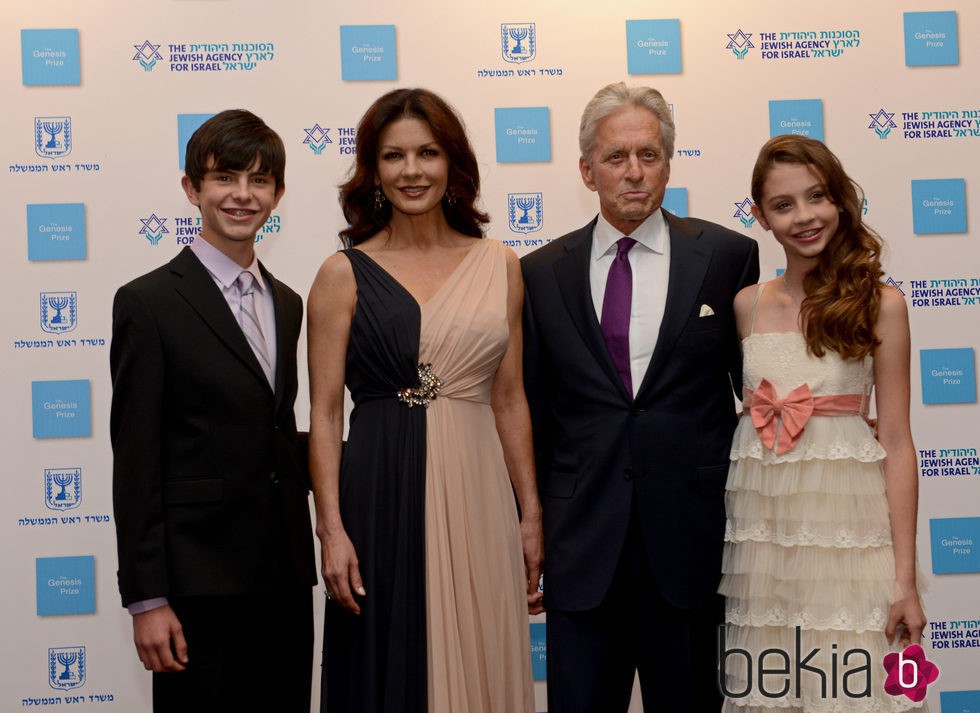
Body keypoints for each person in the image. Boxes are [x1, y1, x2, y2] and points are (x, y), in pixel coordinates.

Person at [521, 82, 760, 712]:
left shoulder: (729, 257)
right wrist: (531, 523)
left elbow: (757, 390)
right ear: (586, 169)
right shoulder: (540, 273)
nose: (633, 173)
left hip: (690, 541)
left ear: (669, 162)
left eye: (648, 155)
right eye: (616, 157)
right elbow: (535, 411)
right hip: (581, 545)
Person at [307, 88, 542, 713]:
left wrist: (531, 513)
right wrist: (331, 530)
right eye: (393, 156)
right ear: (373, 170)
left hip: (479, 490)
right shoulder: (342, 273)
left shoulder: (501, 266)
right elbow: (326, 415)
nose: (412, 171)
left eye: (428, 153)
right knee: (386, 662)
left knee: (484, 651)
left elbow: (511, 399)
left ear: (453, 164)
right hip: (380, 489)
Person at [110, 110, 315, 712]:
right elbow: (136, 458)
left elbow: (268, 433)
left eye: (259, 181)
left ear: (278, 193)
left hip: (282, 577)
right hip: (196, 584)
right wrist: (148, 599)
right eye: (226, 177)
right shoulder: (148, 303)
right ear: (192, 188)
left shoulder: (288, 302)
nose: (242, 195)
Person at [718, 134, 927, 711]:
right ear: (759, 215)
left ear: (839, 201)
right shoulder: (746, 305)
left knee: (852, 689)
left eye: (816, 197)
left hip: (851, 541)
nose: (805, 217)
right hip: (767, 549)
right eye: (783, 205)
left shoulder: (879, 304)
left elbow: (899, 443)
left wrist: (904, 581)